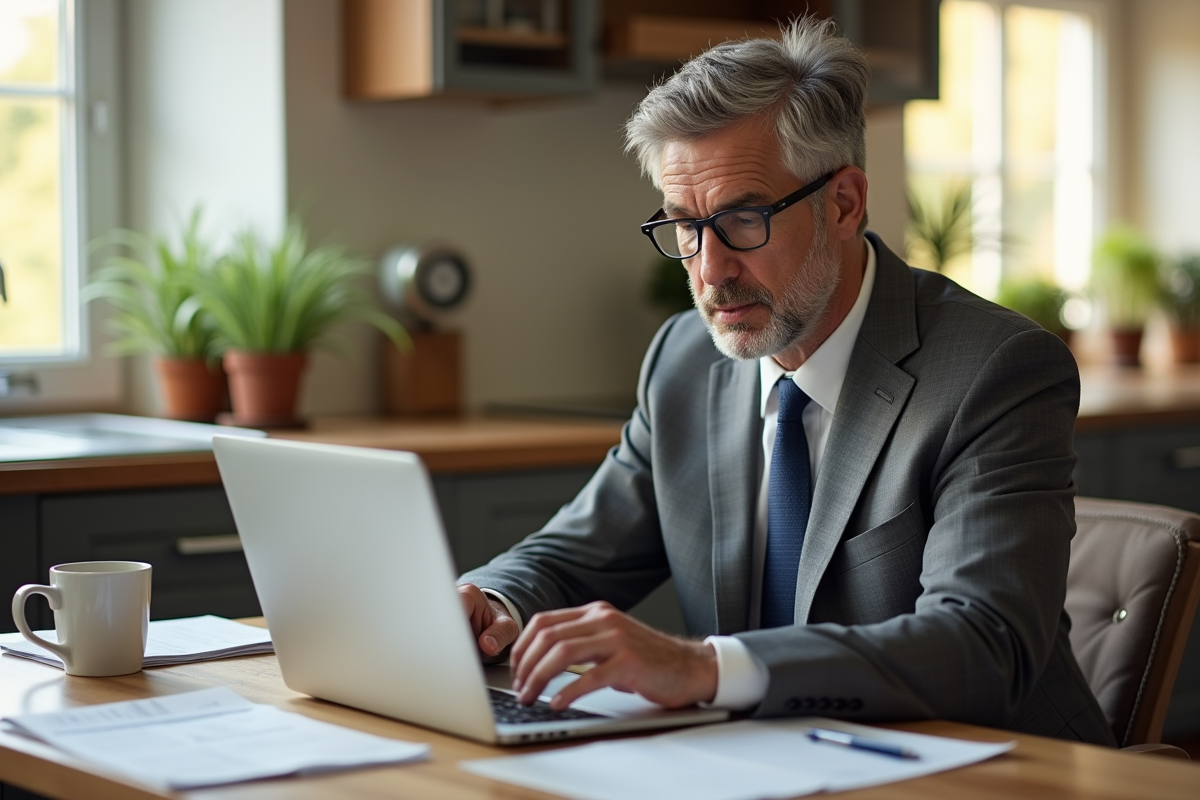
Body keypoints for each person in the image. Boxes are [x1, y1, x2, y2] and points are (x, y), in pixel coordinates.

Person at [457, 17, 1115, 745]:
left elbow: (983, 647)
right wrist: (490, 603)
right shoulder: (683, 358)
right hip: (766, 764)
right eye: (684, 226)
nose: (709, 269)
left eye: (742, 220)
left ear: (844, 203)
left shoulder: (994, 370)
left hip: (994, 771)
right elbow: (574, 555)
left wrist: (706, 668)